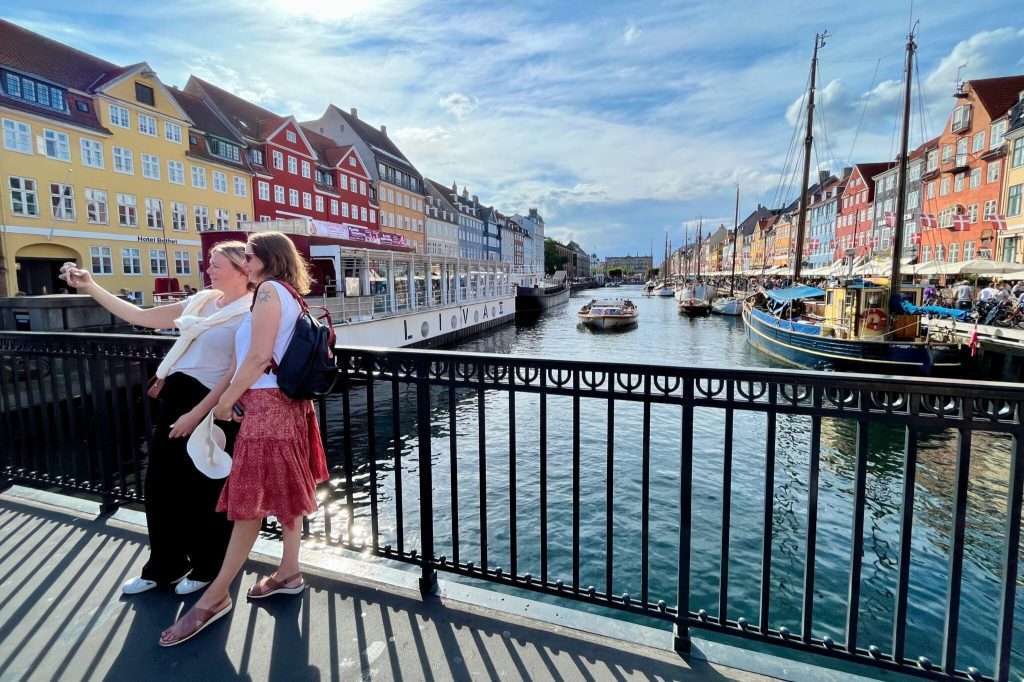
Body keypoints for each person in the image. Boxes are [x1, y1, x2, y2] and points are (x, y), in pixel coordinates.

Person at [160, 231, 328, 647]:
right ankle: (289, 573)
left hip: (267, 409)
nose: (245, 261)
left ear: (265, 259)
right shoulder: (288, 294)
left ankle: (214, 598)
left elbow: (258, 357)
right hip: (287, 407)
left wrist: (226, 402)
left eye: (249, 255)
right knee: (285, 494)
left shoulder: (269, 291)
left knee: (247, 506)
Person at [59, 242, 254, 595]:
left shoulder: (250, 311)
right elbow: (141, 316)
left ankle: (208, 566)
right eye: (210, 263)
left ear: (242, 269)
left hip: (209, 405)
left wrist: (197, 415)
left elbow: (232, 373)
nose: (208, 269)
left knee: (204, 489)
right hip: (177, 397)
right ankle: (165, 567)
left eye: (216, 264)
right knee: (161, 485)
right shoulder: (203, 301)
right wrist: (90, 286)